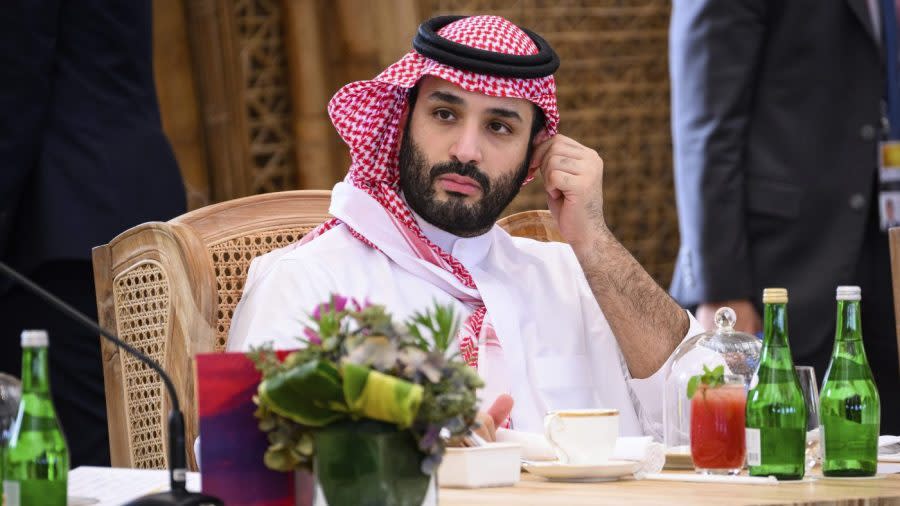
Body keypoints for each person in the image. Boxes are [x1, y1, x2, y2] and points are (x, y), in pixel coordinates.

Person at [228, 15, 703, 440]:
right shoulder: (312, 279)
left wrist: (595, 244)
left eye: (499, 127)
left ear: (534, 154)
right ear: (402, 123)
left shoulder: (572, 277)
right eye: (444, 114)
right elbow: (248, 460)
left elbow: (710, 410)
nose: (466, 149)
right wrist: (408, 444)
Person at [669, 0, 900, 433]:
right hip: (780, 268)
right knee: (777, 463)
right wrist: (723, 292)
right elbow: (706, 126)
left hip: (883, 260)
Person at [0, 1, 187, 465]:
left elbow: (14, 83)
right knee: (141, 445)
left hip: (55, 225)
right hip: (129, 199)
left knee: (86, 460)